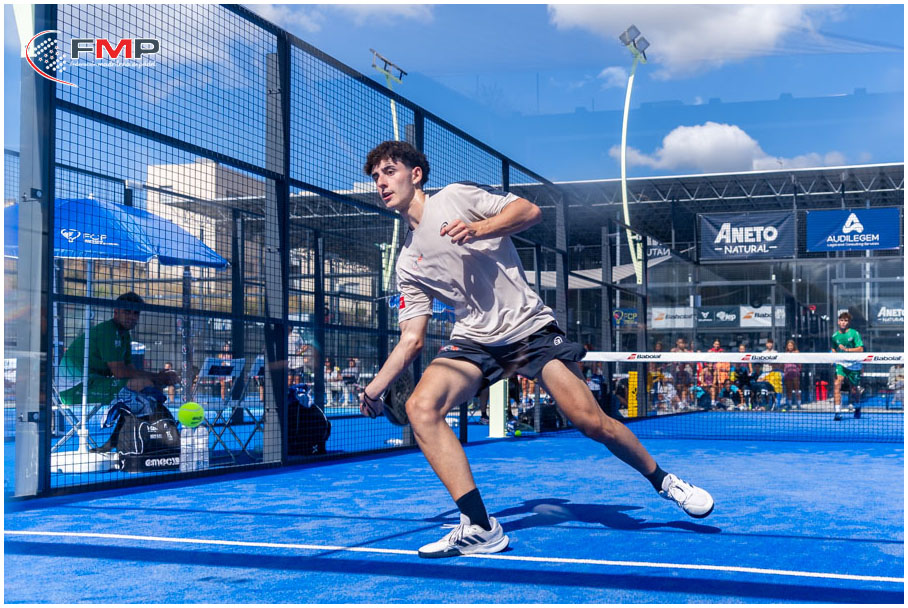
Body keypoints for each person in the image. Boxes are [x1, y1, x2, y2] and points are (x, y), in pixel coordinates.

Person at [358, 141, 713, 559]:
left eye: (389, 171)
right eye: (376, 177)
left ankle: (665, 482)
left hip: (530, 331)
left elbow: (529, 211)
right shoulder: (406, 262)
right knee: (421, 408)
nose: (382, 183)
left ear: (415, 175)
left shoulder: (455, 197)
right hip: (474, 340)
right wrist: (375, 388)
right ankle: (479, 527)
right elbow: (412, 338)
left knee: (591, 422)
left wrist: (478, 229)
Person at [58, 292, 180, 453]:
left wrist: (158, 379)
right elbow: (121, 373)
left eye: (136, 313)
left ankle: (140, 438)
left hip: (93, 382)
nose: (132, 317)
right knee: (139, 389)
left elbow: (130, 370)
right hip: (74, 389)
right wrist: (158, 376)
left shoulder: (125, 336)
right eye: (127, 312)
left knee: (146, 388)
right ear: (116, 312)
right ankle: (164, 437)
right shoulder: (107, 332)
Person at [831, 311, 864, 420]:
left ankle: (857, 407)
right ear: (838, 322)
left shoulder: (854, 333)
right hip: (841, 364)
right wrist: (833, 357)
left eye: (845, 320)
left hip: (854, 365)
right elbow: (833, 348)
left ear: (848, 322)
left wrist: (847, 350)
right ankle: (837, 412)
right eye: (841, 320)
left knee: (854, 390)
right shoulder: (834, 336)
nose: (843, 322)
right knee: (837, 384)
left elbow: (860, 349)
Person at [782, 340, 802, 409]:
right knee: (788, 389)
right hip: (787, 373)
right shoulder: (785, 353)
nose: (790, 347)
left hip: (795, 372)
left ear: (793, 346)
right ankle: (789, 404)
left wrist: (799, 370)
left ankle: (798, 404)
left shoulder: (797, 352)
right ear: (787, 346)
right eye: (789, 345)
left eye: (791, 345)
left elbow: (800, 362)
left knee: (797, 389)